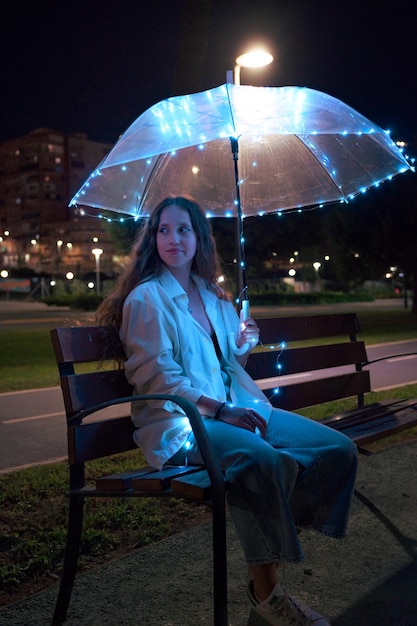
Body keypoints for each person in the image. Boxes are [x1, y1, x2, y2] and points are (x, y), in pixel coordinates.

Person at [96, 195, 358, 625]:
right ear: (152, 240)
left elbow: (225, 361)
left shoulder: (213, 295)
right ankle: (268, 594)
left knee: (337, 449)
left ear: (199, 237)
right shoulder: (147, 299)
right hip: (182, 423)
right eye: (163, 230)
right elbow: (157, 377)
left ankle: (274, 533)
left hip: (238, 407)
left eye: (183, 229)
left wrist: (243, 341)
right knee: (260, 461)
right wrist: (220, 410)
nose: (173, 239)